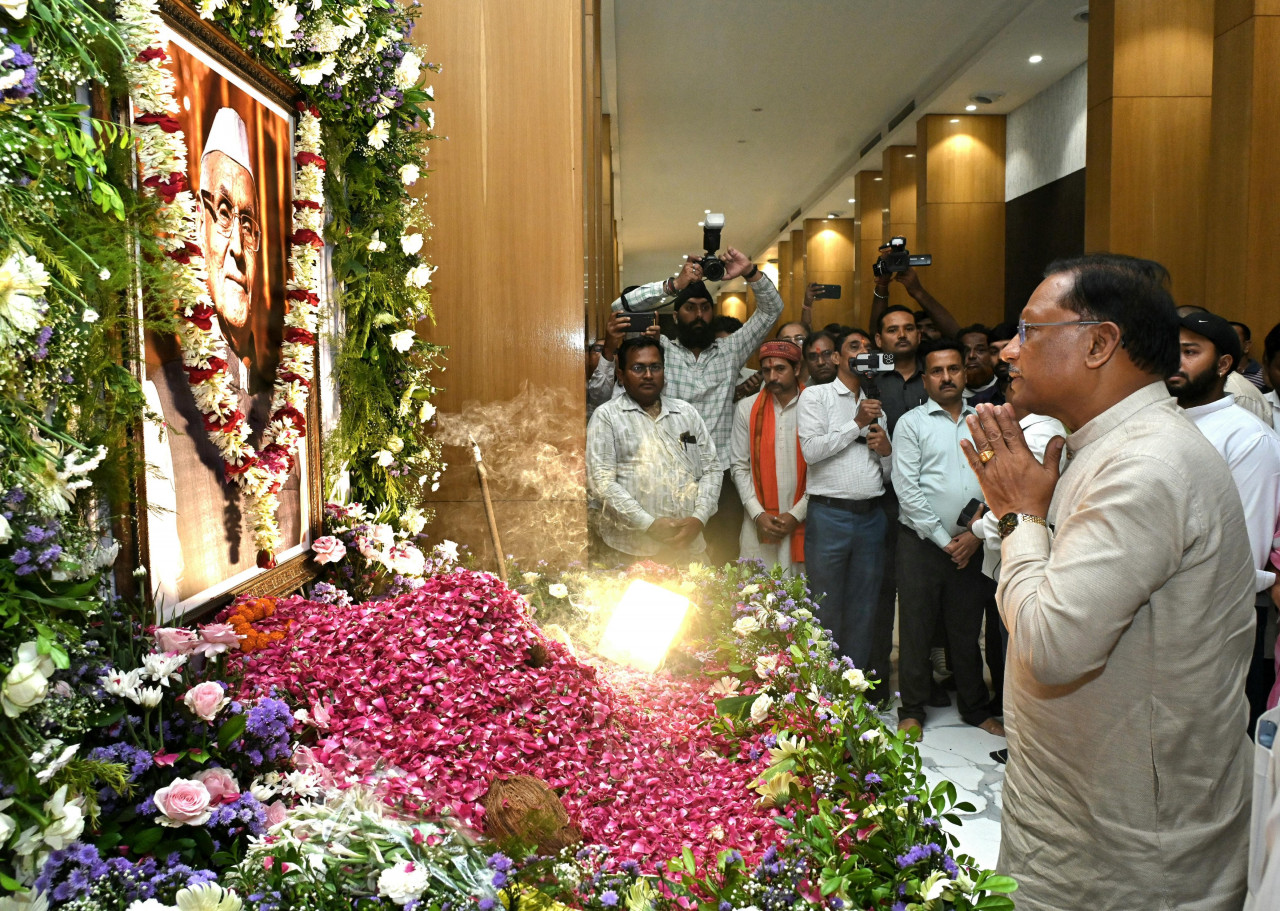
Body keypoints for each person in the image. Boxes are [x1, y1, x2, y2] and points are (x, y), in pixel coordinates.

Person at [963, 253, 1254, 911]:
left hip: (1127, 854)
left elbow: (1053, 643)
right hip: (1079, 817)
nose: (1008, 350)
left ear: (1098, 343)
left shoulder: (1145, 465)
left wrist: (1018, 514)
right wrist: (1020, 517)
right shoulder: (1100, 447)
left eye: (1029, 331)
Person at [146, 106, 301, 607]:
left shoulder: (284, 402)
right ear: (194, 226)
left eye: (250, 226)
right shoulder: (159, 399)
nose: (237, 247)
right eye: (222, 215)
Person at [610, 249, 783, 565]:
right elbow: (620, 307)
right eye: (690, 308)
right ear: (676, 316)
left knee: (721, 561)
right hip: (668, 476)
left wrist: (750, 272)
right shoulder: (660, 351)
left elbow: (772, 310)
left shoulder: (732, 350)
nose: (699, 315)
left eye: (705, 308)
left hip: (722, 477)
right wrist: (676, 284)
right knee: (669, 561)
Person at [1166, 310, 1280, 733]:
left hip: (1216, 621)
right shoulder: (1159, 423)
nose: (1174, 361)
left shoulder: (1247, 438)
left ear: (1224, 364)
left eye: (1189, 352)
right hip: (1160, 613)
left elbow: (1244, 554)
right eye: (1169, 350)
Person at [891, 339, 1004, 740]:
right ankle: (912, 710)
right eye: (937, 371)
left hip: (973, 544)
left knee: (966, 628)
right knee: (917, 629)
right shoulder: (911, 424)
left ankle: (975, 708)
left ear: (964, 372)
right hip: (921, 544)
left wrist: (974, 536)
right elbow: (907, 489)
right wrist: (944, 539)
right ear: (925, 379)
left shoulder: (985, 422)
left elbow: (998, 482)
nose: (946, 377)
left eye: (953, 369)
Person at [797, 329, 892, 670]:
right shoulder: (816, 396)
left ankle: (856, 690)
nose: (863, 351)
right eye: (854, 346)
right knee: (825, 605)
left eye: (868, 347)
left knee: (865, 607)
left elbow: (887, 473)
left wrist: (886, 453)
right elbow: (811, 451)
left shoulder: (876, 398)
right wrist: (857, 423)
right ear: (836, 357)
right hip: (829, 515)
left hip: (871, 517)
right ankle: (824, 692)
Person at [586, 337, 720, 566]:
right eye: (638, 368)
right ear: (621, 374)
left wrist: (699, 518)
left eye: (655, 367)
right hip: (631, 550)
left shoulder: (686, 414)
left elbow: (711, 470)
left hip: (688, 547)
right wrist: (648, 523)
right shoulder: (607, 416)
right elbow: (601, 483)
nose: (648, 375)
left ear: (664, 372)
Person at [730, 341, 808, 576]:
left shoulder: (814, 406)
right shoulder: (747, 408)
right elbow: (738, 466)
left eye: (780, 369)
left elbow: (823, 469)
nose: (771, 376)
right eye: (766, 370)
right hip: (758, 524)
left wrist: (796, 514)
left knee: (804, 603)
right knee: (756, 602)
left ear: (796, 370)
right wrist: (757, 513)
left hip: (805, 522)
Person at [958, 324, 1004, 405]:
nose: (972, 356)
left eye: (980, 350)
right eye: (966, 351)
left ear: (992, 354)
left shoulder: (1004, 391)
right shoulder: (950, 395)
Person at [1232, 320, 1268, 391]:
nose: (1226, 344)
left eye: (1232, 340)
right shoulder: (1215, 372)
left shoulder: (1262, 377)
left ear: (1246, 346)